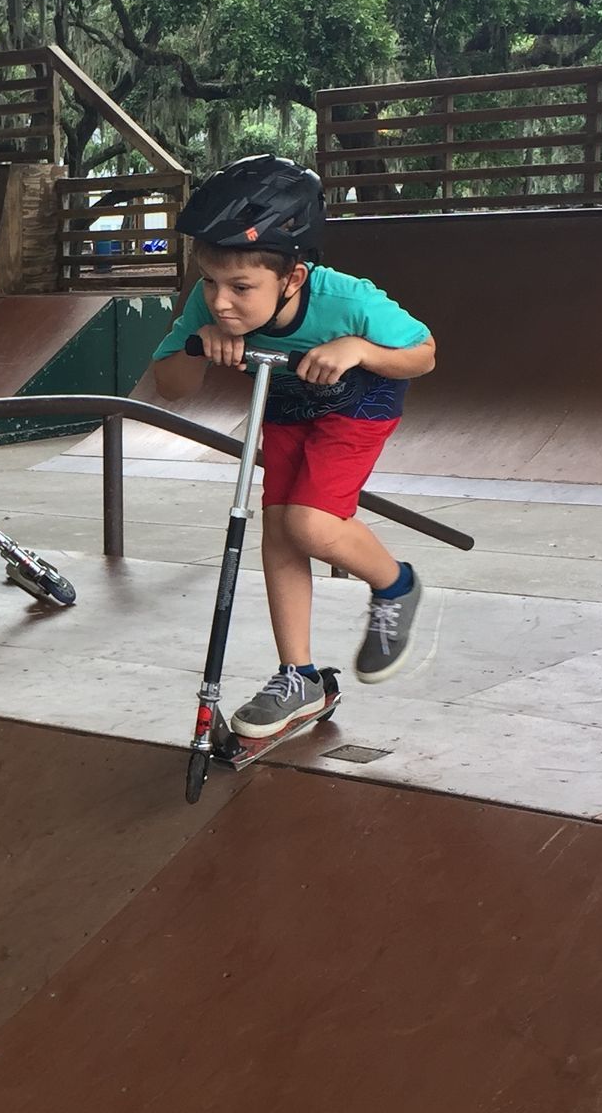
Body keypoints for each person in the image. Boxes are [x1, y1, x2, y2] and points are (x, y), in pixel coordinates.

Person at [150, 155, 436, 742]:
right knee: (279, 528)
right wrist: (197, 348)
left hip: (358, 404)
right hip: (284, 401)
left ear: (293, 278)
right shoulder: (211, 308)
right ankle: (298, 675)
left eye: (241, 287)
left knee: (310, 523)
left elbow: (424, 353)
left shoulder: (349, 301)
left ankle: (395, 584)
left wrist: (359, 348)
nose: (221, 301)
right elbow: (169, 386)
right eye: (208, 281)